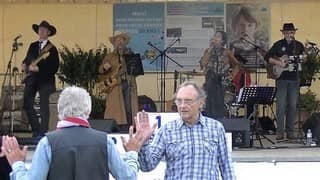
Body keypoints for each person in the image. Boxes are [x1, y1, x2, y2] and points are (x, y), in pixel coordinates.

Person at [1, 86, 143, 180]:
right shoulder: (104, 141)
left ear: (59, 111)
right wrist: (132, 153)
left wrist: (17, 164)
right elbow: (128, 177)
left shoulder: (47, 143)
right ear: (88, 110)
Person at [136, 81, 236, 180]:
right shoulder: (167, 130)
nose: (182, 106)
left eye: (188, 101)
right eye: (179, 101)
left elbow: (226, 167)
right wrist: (143, 142)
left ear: (201, 103)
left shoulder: (216, 128)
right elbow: (147, 166)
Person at [264, 23, 305, 140]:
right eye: (287, 32)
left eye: (291, 32)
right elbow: (267, 57)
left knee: (292, 105)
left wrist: (305, 58)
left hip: (294, 78)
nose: (289, 34)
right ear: (283, 33)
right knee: (281, 105)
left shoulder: (298, 45)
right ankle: (280, 132)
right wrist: (279, 63)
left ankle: (290, 132)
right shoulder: (278, 45)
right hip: (281, 78)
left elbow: (303, 58)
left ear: (294, 33)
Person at [22, 20, 59, 138]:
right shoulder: (32, 45)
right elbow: (28, 59)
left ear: (49, 32)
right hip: (32, 79)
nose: (41, 31)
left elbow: (54, 66)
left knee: (44, 107)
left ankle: (43, 133)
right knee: (27, 103)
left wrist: (39, 69)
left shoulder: (52, 49)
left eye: (44, 29)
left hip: (46, 81)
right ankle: (36, 129)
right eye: (40, 29)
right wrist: (24, 64)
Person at [98, 31, 138, 126]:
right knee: (116, 109)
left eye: (121, 39)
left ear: (125, 42)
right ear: (115, 43)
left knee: (130, 108)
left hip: (129, 83)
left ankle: (130, 126)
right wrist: (104, 67)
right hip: (115, 86)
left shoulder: (131, 55)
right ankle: (117, 126)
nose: (120, 42)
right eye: (117, 40)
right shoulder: (109, 56)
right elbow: (100, 70)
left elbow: (137, 71)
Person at [199, 31, 239, 119]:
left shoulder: (227, 52)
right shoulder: (208, 51)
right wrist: (210, 49)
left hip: (222, 81)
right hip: (210, 80)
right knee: (209, 101)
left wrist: (231, 76)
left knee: (219, 102)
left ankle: (220, 119)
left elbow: (236, 65)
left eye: (218, 37)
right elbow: (203, 64)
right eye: (215, 36)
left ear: (222, 41)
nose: (215, 38)